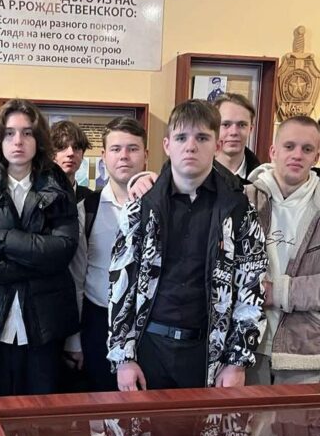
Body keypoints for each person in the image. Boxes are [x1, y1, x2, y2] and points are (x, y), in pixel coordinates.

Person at [108, 100, 267, 391]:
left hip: (209, 353)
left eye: (202, 138)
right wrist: (123, 358)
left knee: (203, 423)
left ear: (217, 145)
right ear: (167, 145)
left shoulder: (238, 209)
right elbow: (120, 285)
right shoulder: (141, 208)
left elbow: (251, 287)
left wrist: (236, 361)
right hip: (148, 347)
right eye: (181, 137)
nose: (190, 146)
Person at [0, 98, 79, 396]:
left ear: (39, 139)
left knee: (40, 418)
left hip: (44, 325)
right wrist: (35, 265)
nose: (18, 141)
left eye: (27, 133)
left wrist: (3, 239)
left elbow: (63, 250)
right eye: (10, 133)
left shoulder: (58, 190)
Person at [244, 116, 320, 385]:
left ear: (316, 156)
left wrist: (279, 292)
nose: (297, 155)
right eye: (289, 146)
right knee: (243, 414)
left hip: (304, 348)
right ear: (273, 151)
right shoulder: (241, 202)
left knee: (295, 415)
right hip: (245, 343)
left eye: (307, 149)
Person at [68, 117, 149, 391]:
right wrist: (74, 340)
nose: (124, 156)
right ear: (103, 156)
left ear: (146, 155)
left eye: (132, 148)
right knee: (100, 407)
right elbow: (77, 278)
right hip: (98, 322)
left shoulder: (161, 208)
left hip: (148, 327)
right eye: (115, 149)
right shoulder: (86, 209)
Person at [212, 92, 261, 183]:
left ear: (250, 129)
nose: (234, 132)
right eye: (226, 124)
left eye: (242, 125)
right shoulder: (195, 177)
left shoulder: (263, 181)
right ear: (214, 128)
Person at [51, 119, 96, 203]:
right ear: (51, 154)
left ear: (82, 155)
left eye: (76, 147)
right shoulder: (37, 197)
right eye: (62, 147)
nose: (71, 153)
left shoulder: (91, 200)